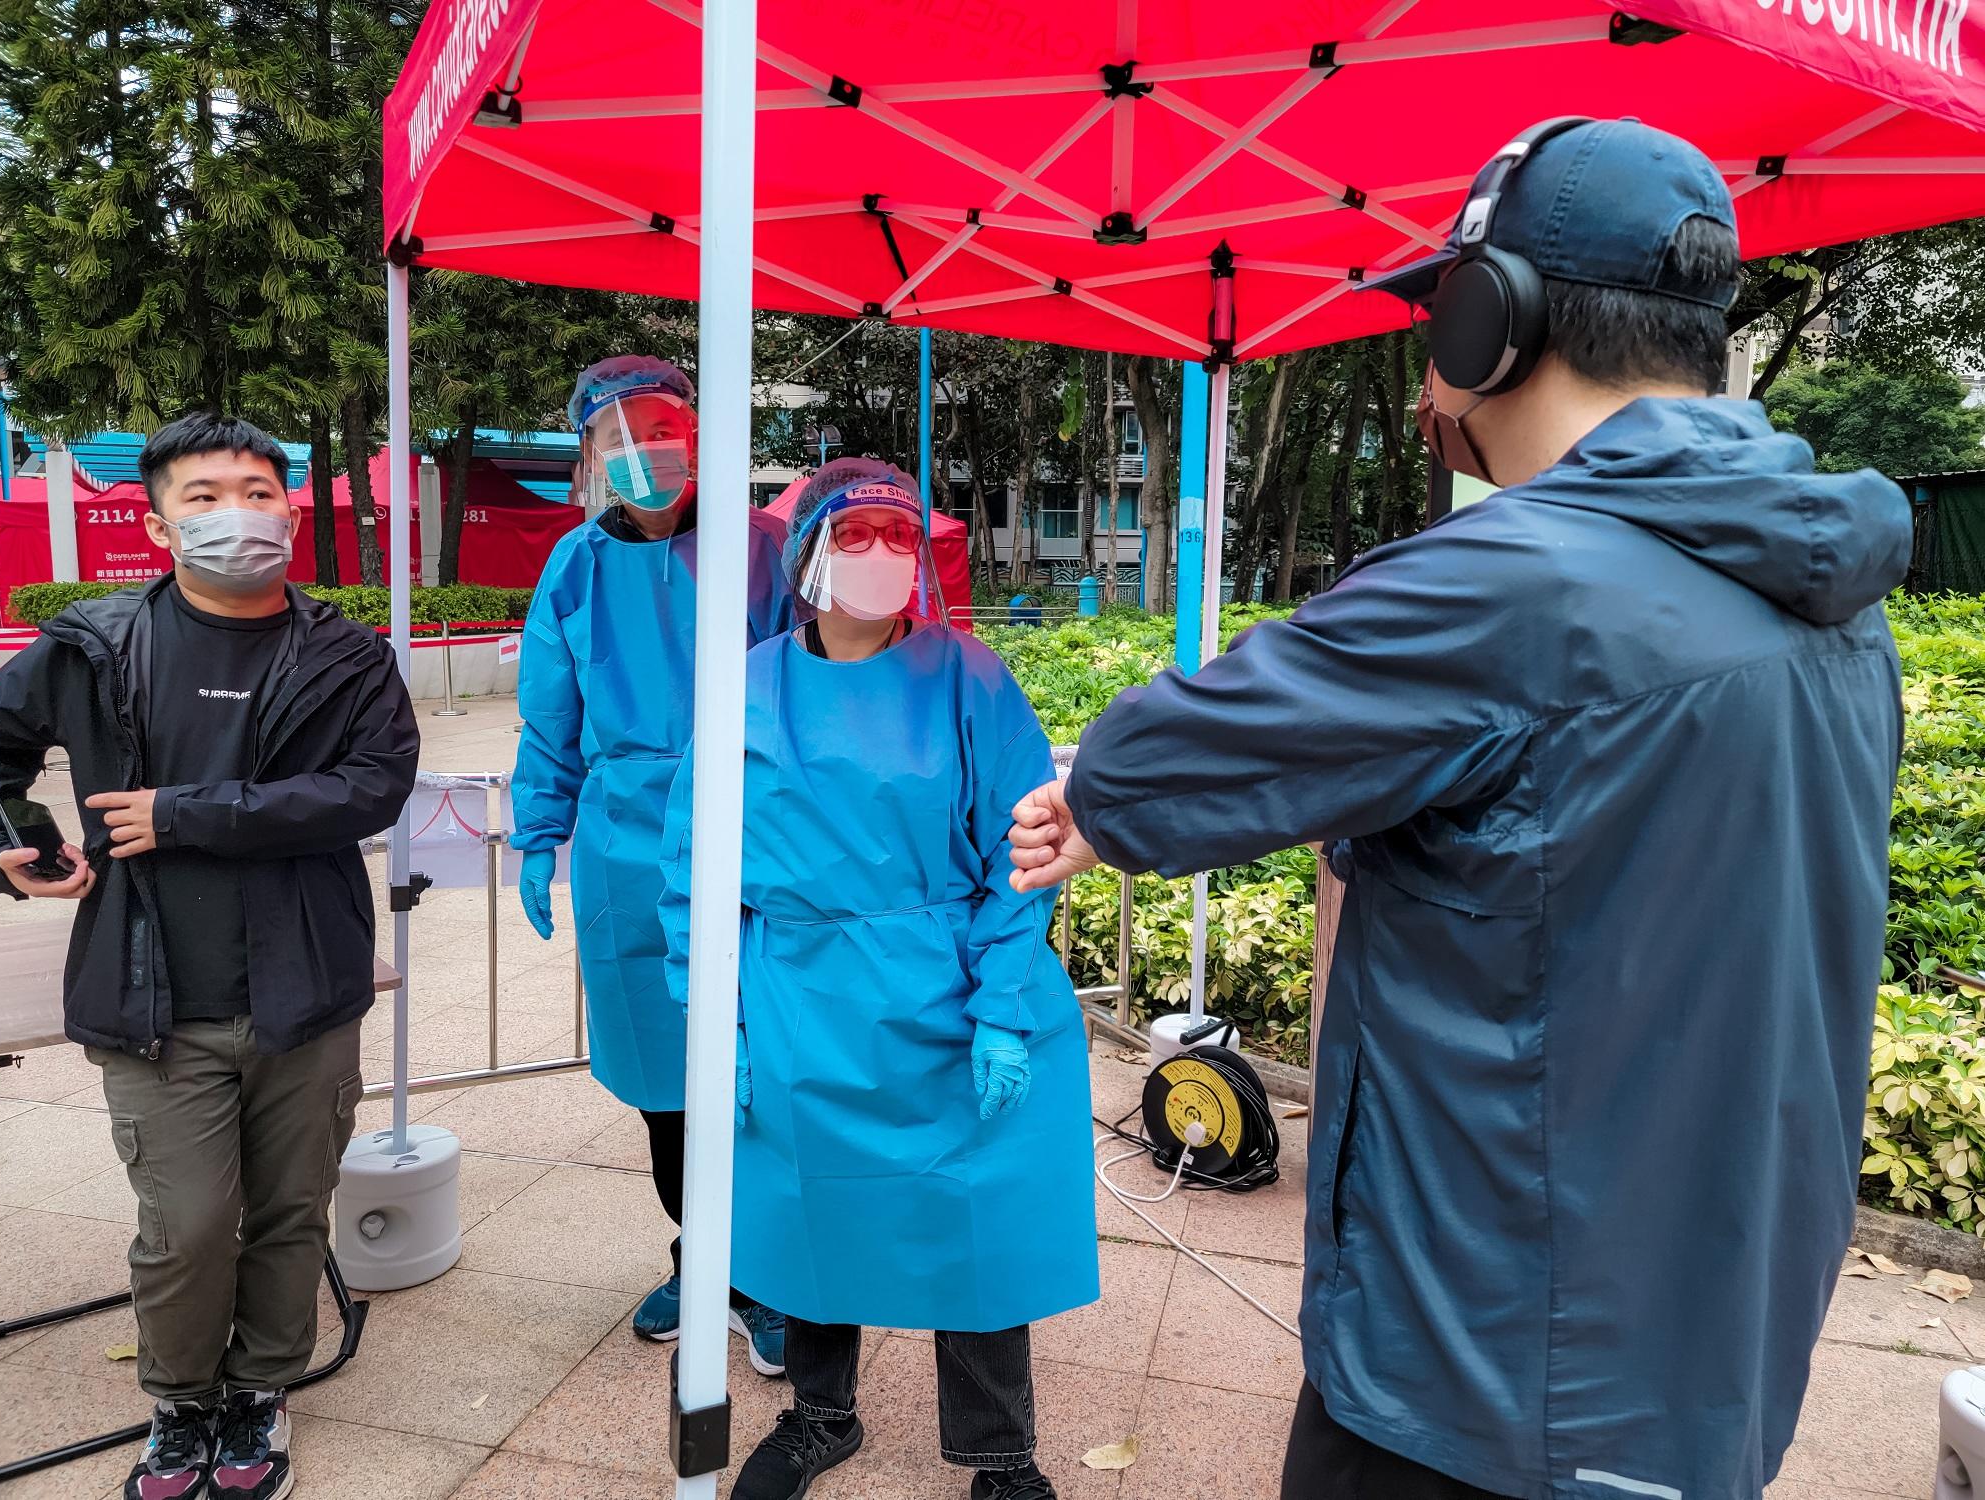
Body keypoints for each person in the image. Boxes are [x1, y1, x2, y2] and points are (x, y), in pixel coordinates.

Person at [1007, 119, 1910, 1500]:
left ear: (1489, 321)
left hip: (1485, 1367)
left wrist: (1097, 797)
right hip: (1709, 1343)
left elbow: (1152, 765)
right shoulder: (1838, 602)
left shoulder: (1510, 582)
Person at [0, 412, 419, 1500]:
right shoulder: (94, 647)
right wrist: (13, 845)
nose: (238, 515)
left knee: (289, 1213)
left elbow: (371, 787)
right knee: (183, 1227)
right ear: (159, 524)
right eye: (206, 497)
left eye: (258, 493)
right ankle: (181, 1401)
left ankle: (261, 1388)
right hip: (150, 996)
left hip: (305, 989)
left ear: (292, 513)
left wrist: (186, 813)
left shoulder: (347, 655)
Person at [659, 457, 1098, 1500]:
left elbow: (1023, 855)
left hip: (950, 993)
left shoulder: (968, 679)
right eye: (854, 536)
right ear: (806, 556)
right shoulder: (745, 688)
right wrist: (716, 1023)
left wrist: (1001, 1010)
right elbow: (694, 874)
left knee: (970, 1223)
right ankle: (820, 1416)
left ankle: (1000, 1455)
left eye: (900, 538)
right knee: (811, 1214)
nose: (881, 556)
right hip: (799, 1002)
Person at [510, 355, 797, 1373]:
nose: (644, 451)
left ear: (699, 435)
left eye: (662, 427)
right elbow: (550, 716)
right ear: (588, 455)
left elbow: (816, 685)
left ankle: (768, 1274)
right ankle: (701, 1258)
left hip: (753, 832)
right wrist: (536, 832)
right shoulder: (574, 567)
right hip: (626, 844)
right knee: (663, 1074)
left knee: (762, 1062)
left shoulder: (763, 550)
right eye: (617, 436)